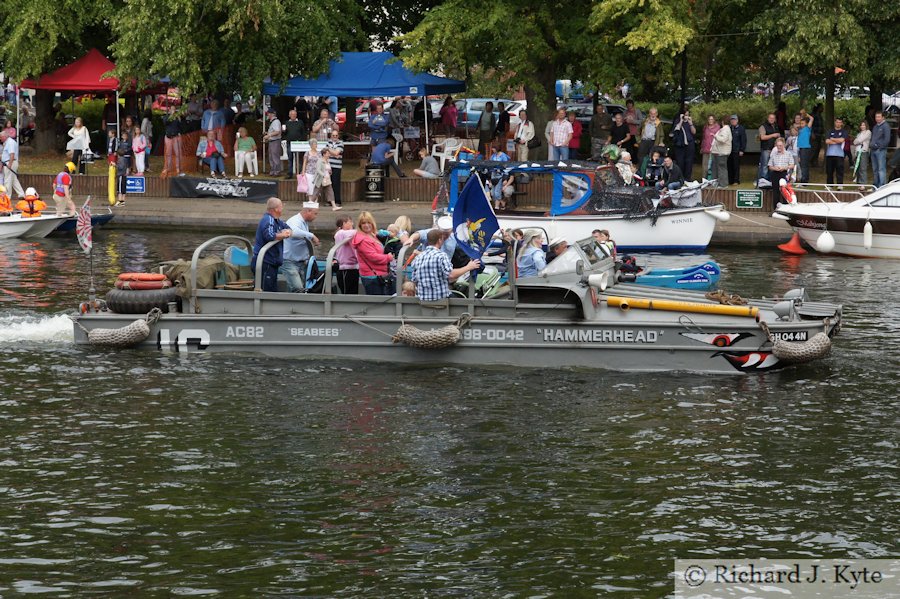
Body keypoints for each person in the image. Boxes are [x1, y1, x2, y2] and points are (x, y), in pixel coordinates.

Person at [411, 229, 480, 302]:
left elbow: (414, 279)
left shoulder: (418, 258)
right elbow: (451, 275)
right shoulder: (442, 256)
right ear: (440, 240)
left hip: (423, 299)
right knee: (463, 303)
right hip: (441, 299)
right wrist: (469, 267)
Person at [252, 197, 293, 292]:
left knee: (272, 288)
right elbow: (269, 236)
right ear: (276, 209)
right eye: (281, 206)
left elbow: (287, 227)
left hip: (273, 262)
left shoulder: (277, 221)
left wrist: (288, 232)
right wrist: (283, 235)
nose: (282, 209)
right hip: (265, 262)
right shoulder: (268, 220)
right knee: (266, 289)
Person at [352, 211, 395, 295]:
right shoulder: (362, 240)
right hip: (372, 276)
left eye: (369, 222)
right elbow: (373, 257)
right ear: (360, 225)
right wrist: (388, 257)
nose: (367, 225)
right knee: (378, 304)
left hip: (379, 274)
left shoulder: (372, 234)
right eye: (363, 223)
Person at [281, 201, 320, 292]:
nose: (316, 216)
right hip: (289, 261)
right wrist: (312, 236)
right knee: (297, 288)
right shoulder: (294, 221)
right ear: (308, 211)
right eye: (315, 214)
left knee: (300, 287)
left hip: (301, 262)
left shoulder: (304, 222)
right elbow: (293, 232)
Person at [334, 215, 359, 294]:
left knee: (354, 292)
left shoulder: (350, 235)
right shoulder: (340, 233)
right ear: (344, 223)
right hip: (345, 268)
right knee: (347, 292)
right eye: (350, 222)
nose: (352, 224)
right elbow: (352, 233)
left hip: (353, 267)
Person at [767, 137, 795, 206]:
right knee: (776, 191)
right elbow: (770, 166)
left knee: (784, 191)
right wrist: (775, 168)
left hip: (784, 173)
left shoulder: (788, 154)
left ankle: (786, 207)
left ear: (783, 145)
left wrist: (784, 167)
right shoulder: (774, 154)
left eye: (780, 146)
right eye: (777, 146)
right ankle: (776, 208)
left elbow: (792, 165)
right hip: (775, 173)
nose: (779, 147)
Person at [284, 109, 308, 179]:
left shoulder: (300, 122)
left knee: (299, 159)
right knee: (290, 159)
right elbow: (284, 134)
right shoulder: (287, 123)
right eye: (292, 114)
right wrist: (284, 131)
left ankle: (300, 173)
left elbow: (303, 132)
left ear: (296, 115)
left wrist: (303, 141)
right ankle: (290, 174)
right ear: (289, 115)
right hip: (290, 143)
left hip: (298, 143)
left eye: (294, 114)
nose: (293, 116)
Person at [0, 130, 25, 198]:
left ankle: (7, 196)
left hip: (10, 162)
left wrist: (10, 164)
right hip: (9, 162)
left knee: (7, 180)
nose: (0, 139)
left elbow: (12, 154)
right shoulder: (7, 142)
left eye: (1, 137)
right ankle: (21, 194)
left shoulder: (10, 143)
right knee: (14, 180)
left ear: (4, 136)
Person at [757, 112, 780, 183]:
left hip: (774, 149)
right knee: (764, 165)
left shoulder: (776, 126)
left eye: (773, 118)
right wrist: (773, 135)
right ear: (768, 118)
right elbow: (762, 137)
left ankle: (771, 180)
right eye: (770, 118)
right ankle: (764, 180)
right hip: (766, 149)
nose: (772, 119)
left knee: (772, 165)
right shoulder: (763, 126)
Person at [825, 118, 848, 185]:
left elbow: (842, 140)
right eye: (837, 122)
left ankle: (839, 185)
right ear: (835, 122)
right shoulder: (830, 131)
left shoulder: (844, 132)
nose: (838, 123)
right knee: (829, 171)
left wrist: (832, 139)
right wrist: (837, 141)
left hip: (839, 154)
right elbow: (827, 141)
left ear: (841, 123)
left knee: (839, 170)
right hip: (830, 154)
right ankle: (830, 185)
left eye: (840, 122)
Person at [710, 116, 732, 188]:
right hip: (720, 152)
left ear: (723, 121)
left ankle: (723, 184)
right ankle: (718, 183)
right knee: (719, 168)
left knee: (722, 168)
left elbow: (723, 139)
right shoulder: (725, 129)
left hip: (722, 152)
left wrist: (715, 136)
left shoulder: (725, 130)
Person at [162, 105, 184, 176]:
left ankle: (178, 168)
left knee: (177, 153)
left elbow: (181, 127)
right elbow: (165, 123)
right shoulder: (166, 117)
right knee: (168, 153)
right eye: (172, 109)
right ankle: (168, 167)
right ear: (169, 110)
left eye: (174, 109)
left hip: (176, 137)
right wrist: (171, 116)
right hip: (168, 137)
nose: (173, 110)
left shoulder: (177, 117)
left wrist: (179, 119)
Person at [871, 111, 890, 188]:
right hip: (873, 150)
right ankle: (876, 185)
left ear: (883, 117)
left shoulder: (886, 126)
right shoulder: (875, 127)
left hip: (880, 151)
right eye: (876, 117)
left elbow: (887, 140)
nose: (877, 118)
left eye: (879, 117)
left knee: (881, 169)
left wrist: (880, 147)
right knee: (875, 169)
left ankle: (882, 186)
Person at [325, 129, 344, 207]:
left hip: (337, 166)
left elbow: (337, 152)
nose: (335, 137)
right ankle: (330, 201)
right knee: (329, 184)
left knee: (336, 184)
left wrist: (329, 150)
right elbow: (326, 154)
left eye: (336, 135)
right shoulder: (328, 142)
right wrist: (335, 154)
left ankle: (337, 201)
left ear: (338, 136)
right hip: (328, 166)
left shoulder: (341, 143)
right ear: (331, 136)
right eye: (333, 135)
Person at [263, 109, 282, 177]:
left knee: (275, 156)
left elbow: (277, 131)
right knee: (271, 156)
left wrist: (269, 135)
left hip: (275, 141)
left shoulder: (276, 122)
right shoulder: (272, 122)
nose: (267, 115)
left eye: (268, 114)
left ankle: (277, 171)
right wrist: (267, 133)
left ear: (272, 114)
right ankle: (273, 170)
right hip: (272, 141)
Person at [728, 115, 746, 185]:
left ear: (737, 120)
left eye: (734, 120)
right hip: (729, 150)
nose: (733, 121)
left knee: (736, 166)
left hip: (737, 150)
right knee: (729, 166)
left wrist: (742, 150)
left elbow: (743, 140)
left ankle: (736, 180)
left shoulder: (741, 128)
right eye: (732, 120)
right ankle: (730, 180)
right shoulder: (728, 128)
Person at [115, 129, 131, 206]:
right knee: (124, 188)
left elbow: (120, 167)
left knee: (120, 189)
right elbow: (127, 167)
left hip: (121, 175)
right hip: (124, 175)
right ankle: (123, 201)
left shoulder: (120, 160)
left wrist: (115, 165)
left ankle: (120, 200)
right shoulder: (125, 159)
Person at [700, 115, 719, 180]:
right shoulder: (705, 127)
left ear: (714, 120)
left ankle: (713, 180)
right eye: (709, 119)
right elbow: (703, 138)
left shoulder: (718, 127)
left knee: (713, 166)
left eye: (712, 119)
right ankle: (704, 179)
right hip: (706, 149)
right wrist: (702, 147)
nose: (710, 121)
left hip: (714, 149)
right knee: (704, 166)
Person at [852, 121, 871, 185]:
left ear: (866, 126)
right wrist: (858, 141)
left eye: (864, 125)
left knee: (863, 168)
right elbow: (854, 142)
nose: (862, 126)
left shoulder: (868, 132)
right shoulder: (859, 133)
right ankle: (859, 182)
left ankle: (863, 183)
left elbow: (860, 140)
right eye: (861, 125)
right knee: (858, 168)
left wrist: (858, 141)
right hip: (857, 151)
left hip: (863, 151)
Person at [797, 115, 813, 183]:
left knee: (804, 165)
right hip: (801, 148)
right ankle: (804, 178)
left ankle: (804, 180)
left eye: (803, 123)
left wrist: (806, 114)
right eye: (801, 123)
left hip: (805, 148)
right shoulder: (800, 129)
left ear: (806, 123)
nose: (801, 124)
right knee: (802, 164)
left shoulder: (807, 128)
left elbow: (812, 118)